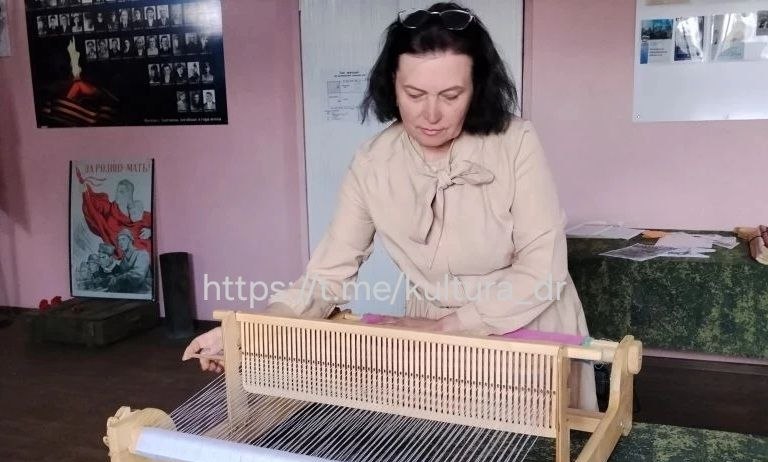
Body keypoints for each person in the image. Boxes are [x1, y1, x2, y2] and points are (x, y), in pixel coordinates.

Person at [182, 3, 598, 410]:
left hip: (525, 324)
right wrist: (249, 334)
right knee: (445, 448)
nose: (431, 114)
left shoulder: (516, 142)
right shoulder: (373, 163)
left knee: (540, 446)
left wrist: (450, 327)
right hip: (430, 336)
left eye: (451, 95)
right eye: (414, 94)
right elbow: (325, 278)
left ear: (477, 88)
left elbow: (542, 269)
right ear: (392, 84)